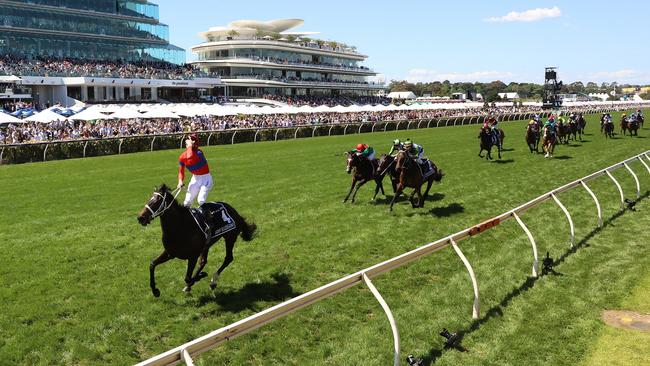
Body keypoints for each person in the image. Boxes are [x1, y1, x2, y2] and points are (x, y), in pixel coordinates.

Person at [177, 134, 213, 207]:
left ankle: (209, 216)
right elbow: (181, 171)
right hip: (195, 179)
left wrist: (190, 146)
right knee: (186, 202)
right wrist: (180, 181)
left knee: (201, 200)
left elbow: (190, 157)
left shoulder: (199, 153)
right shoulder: (182, 157)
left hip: (206, 179)